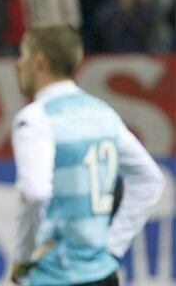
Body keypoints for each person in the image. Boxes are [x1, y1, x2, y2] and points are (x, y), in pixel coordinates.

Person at [10, 25, 165, 285]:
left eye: (23, 55)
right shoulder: (104, 113)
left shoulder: (35, 119)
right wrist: (113, 246)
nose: (17, 64)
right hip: (103, 274)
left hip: (55, 275)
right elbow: (150, 179)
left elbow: (35, 193)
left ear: (39, 62)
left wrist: (23, 256)